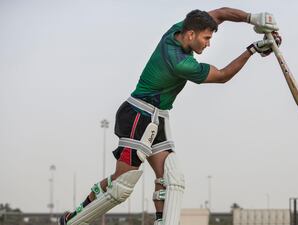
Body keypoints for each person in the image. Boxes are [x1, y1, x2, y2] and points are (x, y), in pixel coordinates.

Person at [59, 7, 282, 225]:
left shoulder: (178, 28)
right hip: (138, 114)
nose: (208, 43)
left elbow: (221, 13)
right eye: (206, 38)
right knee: (121, 186)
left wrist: (254, 18)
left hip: (159, 117)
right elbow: (222, 75)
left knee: (171, 180)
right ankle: (72, 221)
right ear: (191, 34)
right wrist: (253, 49)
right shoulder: (181, 63)